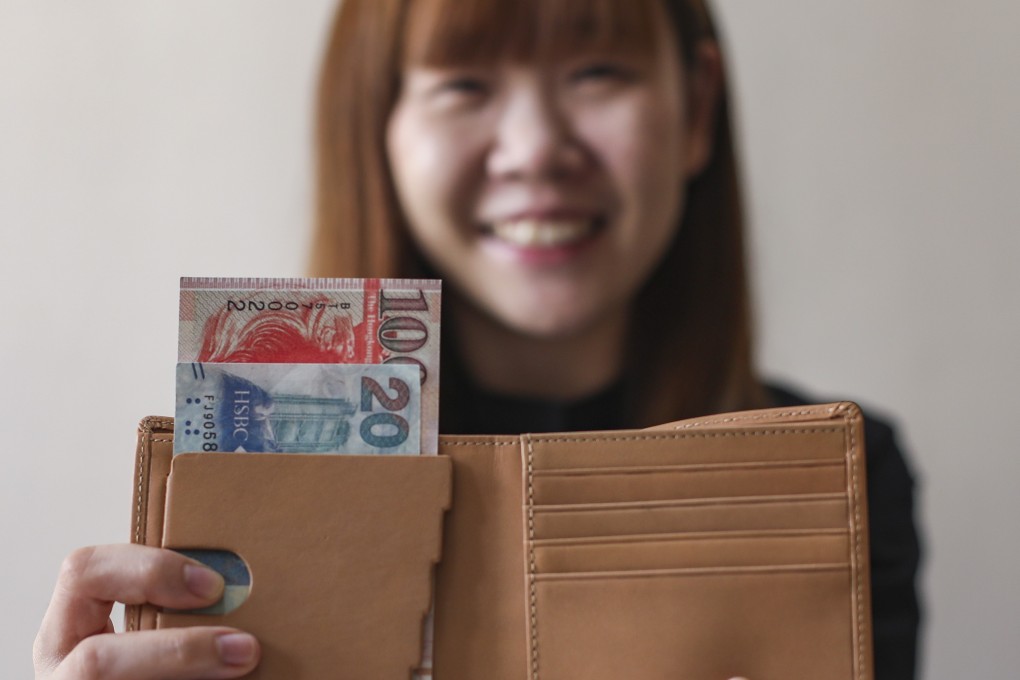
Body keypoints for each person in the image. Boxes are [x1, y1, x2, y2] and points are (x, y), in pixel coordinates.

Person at [33, 0, 922, 678]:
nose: (535, 149)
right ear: (376, 127)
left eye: (600, 71)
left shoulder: (848, 480)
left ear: (696, 111)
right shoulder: (208, 487)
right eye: (465, 83)